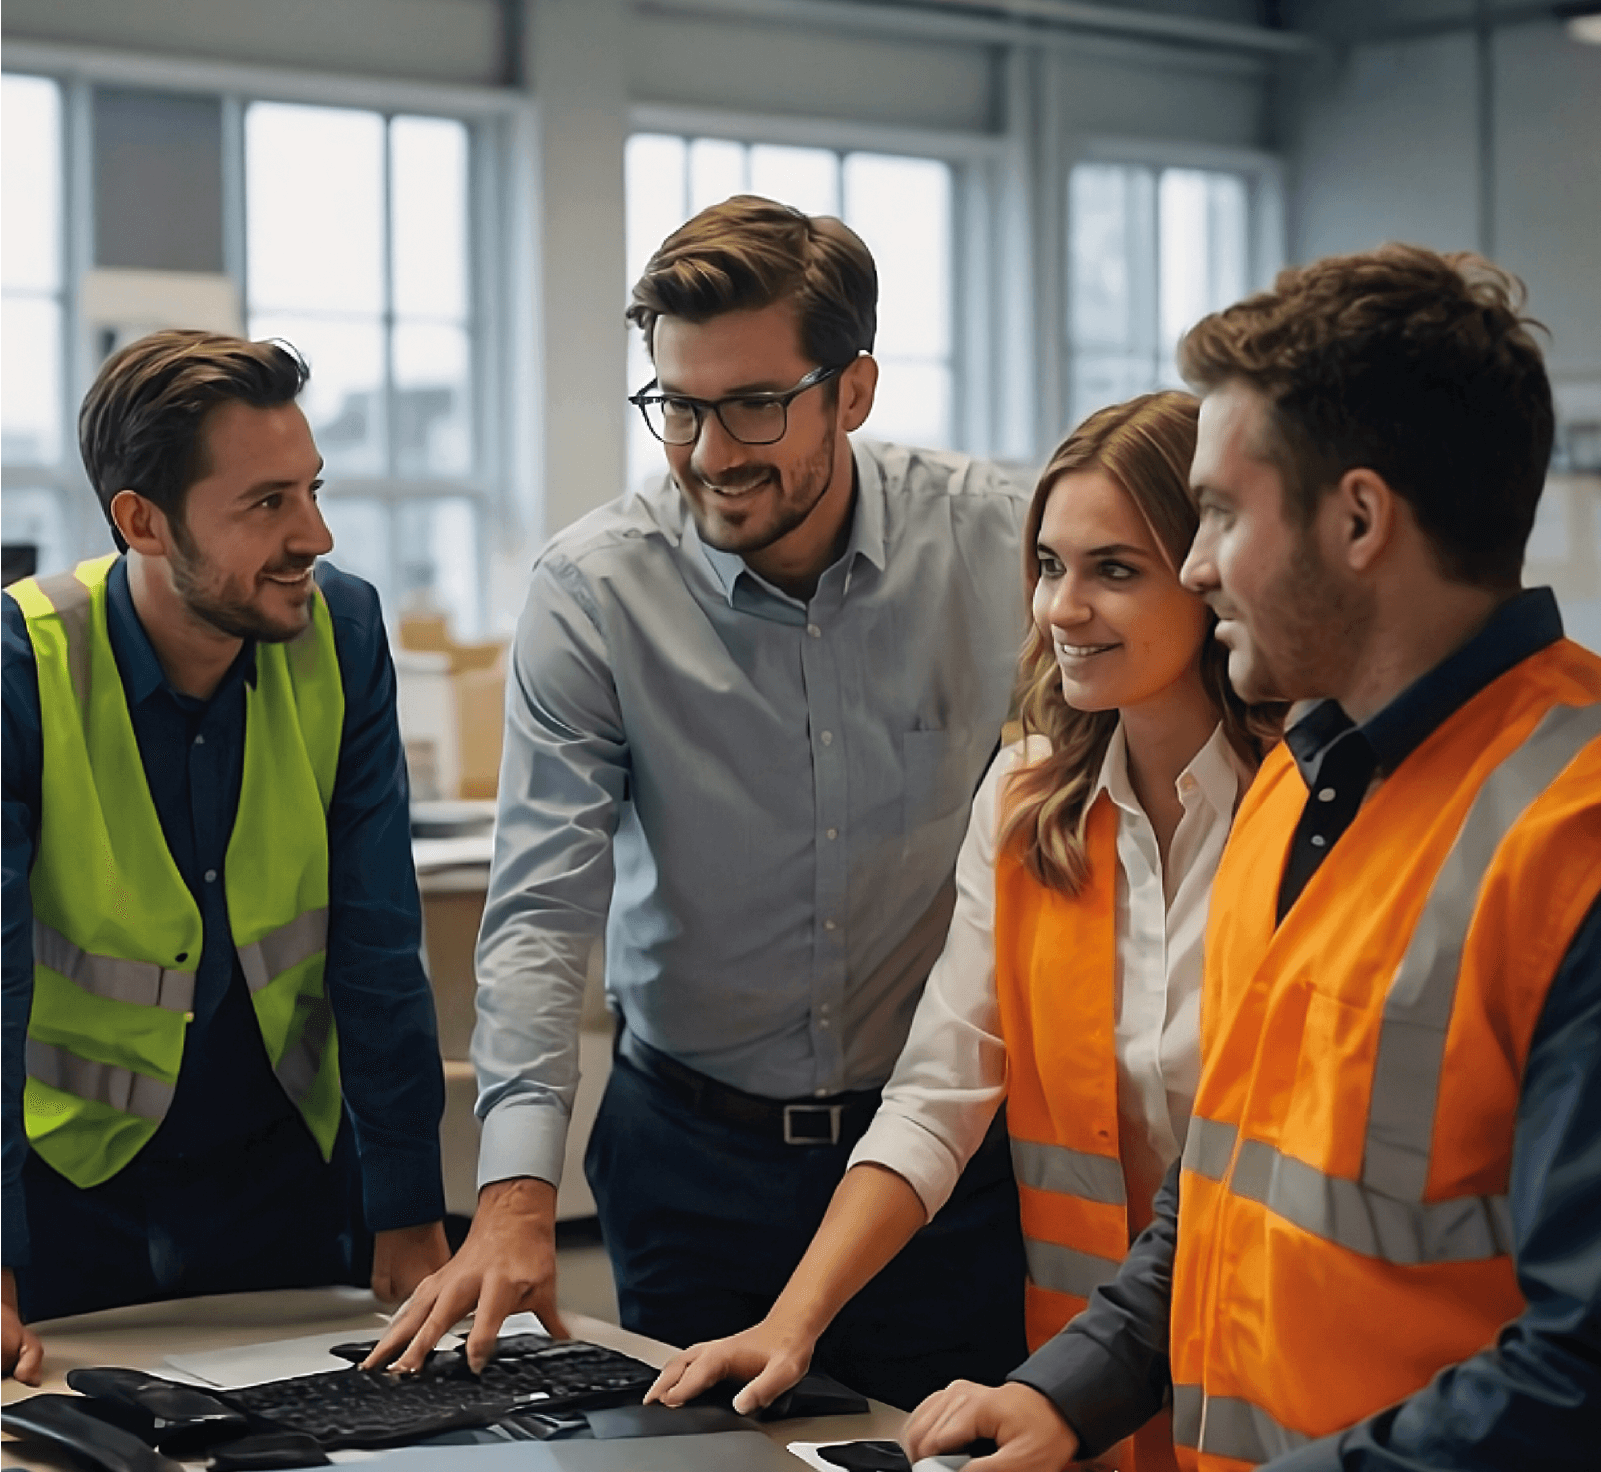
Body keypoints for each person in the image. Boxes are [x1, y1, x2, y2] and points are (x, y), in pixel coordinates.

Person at [901, 245, 1601, 1471]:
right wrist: (1068, 1392)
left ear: (1358, 520)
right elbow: (1222, 1189)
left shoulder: (1570, 833)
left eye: (1221, 511)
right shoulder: (1299, 789)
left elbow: (1579, 1368)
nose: (1196, 562)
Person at [368, 196, 1030, 1408]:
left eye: (755, 404)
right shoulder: (594, 591)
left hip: (939, 1161)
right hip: (691, 1160)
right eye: (677, 405)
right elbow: (539, 911)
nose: (712, 450)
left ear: (856, 388)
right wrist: (513, 1194)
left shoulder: (998, 546)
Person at [649, 391, 1279, 1471]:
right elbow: (937, 1095)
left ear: (1206, 571)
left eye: (1113, 570)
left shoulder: (1303, 810)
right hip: (1081, 1383)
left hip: (1270, 1374)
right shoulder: (1029, 803)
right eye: (1046, 565)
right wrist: (791, 1321)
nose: (1059, 609)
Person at [1, 331, 449, 1385]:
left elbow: (378, 938)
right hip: (70, 1184)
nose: (315, 533)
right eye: (266, 504)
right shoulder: (25, 668)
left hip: (287, 1171)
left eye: (312, 490)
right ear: (141, 521)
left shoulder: (342, 631)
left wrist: (408, 1205)